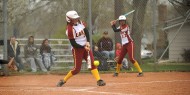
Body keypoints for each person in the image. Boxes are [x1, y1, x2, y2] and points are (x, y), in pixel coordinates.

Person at [56, 10, 106, 87]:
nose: (76, 19)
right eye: (74, 18)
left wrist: (88, 42)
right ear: (69, 20)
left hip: (85, 47)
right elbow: (73, 43)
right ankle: (63, 80)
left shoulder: (81, 23)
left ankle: (99, 80)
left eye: (76, 18)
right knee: (77, 69)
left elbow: (86, 32)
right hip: (77, 49)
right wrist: (83, 47)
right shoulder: (69, 29)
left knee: (92, 64)